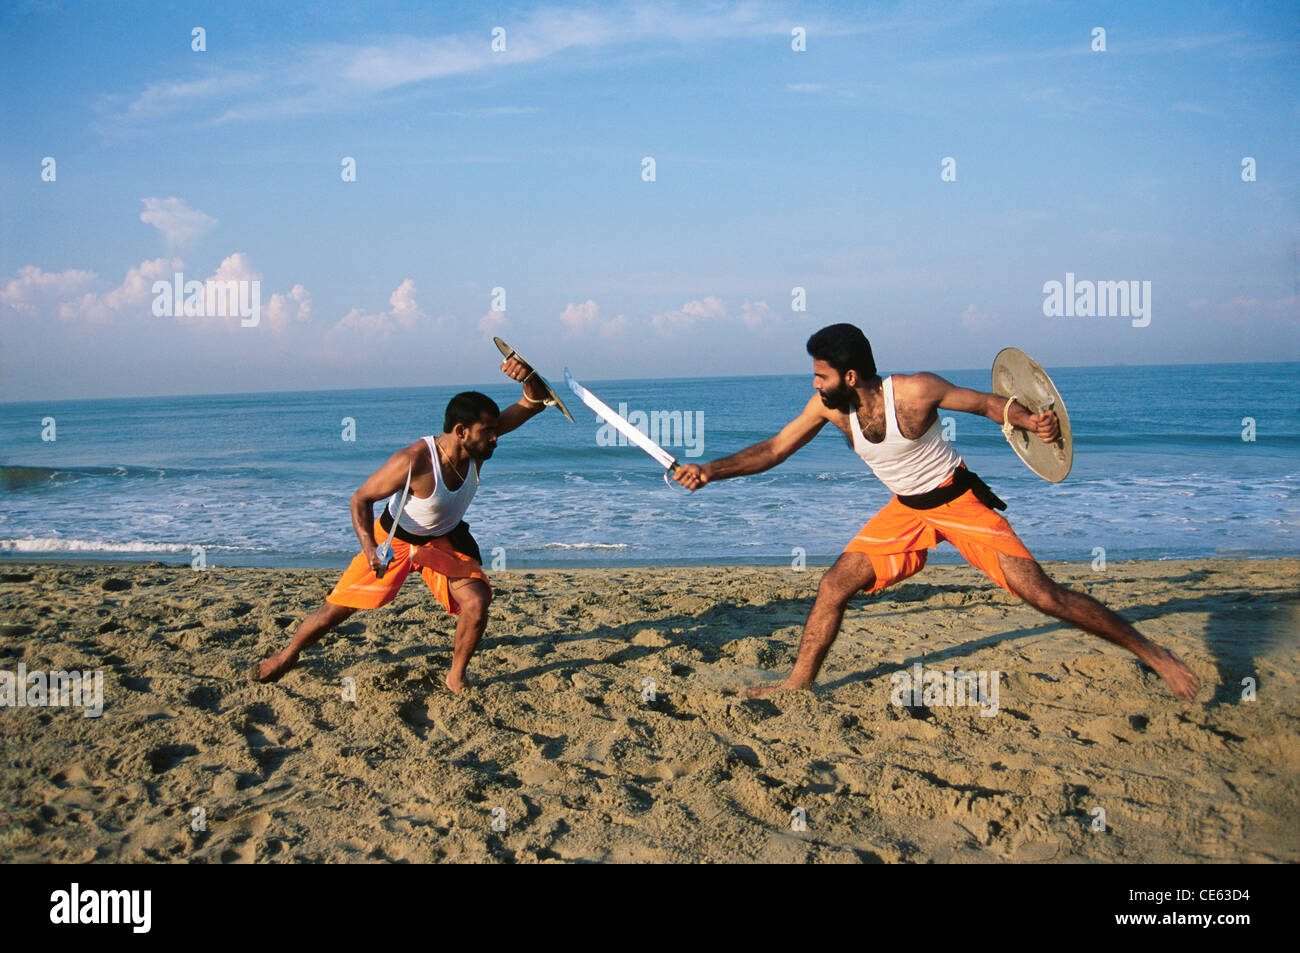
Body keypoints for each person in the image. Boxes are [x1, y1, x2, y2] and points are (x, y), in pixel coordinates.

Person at [671, 323, 1200, 704]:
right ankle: (799, 683)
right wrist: (710, 471)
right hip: (906, 512)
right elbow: (773, 449)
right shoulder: (830, 409)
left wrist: (1032, 422)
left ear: (850, 375)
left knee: (1043, 595)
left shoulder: (916, 391)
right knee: (834, 584)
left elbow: (987, 405)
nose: (814, 384)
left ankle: (1150, 651)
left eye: (821, 375)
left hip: (958, 501)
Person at [252, 354, 551, 693]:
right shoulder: (413, 460)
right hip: (393, 538)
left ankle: (455, 676)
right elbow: (360, 499)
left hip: (442, 540)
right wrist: (369, 549)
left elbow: (533, 402)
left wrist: (526, 374)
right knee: (335, 611)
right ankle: (288, 654)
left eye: (496, 431)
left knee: (477, 601)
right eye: (488, 432)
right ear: (460, 431)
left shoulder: (478, 446)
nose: (496, 438)